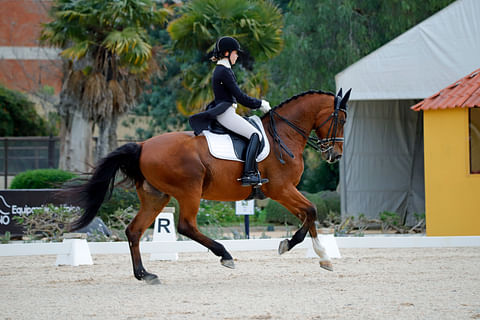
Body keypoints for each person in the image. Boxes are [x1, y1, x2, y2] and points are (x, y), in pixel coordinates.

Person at [189, 36, 271, 186]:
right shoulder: (223, 71)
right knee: (255, 135)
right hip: (225, 114)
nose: (237, 56)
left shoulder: (223, 70)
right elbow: (240, 96)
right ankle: (249, 174)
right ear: (227, 53)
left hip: (227, 112)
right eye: (235, 53)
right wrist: (260, 104)